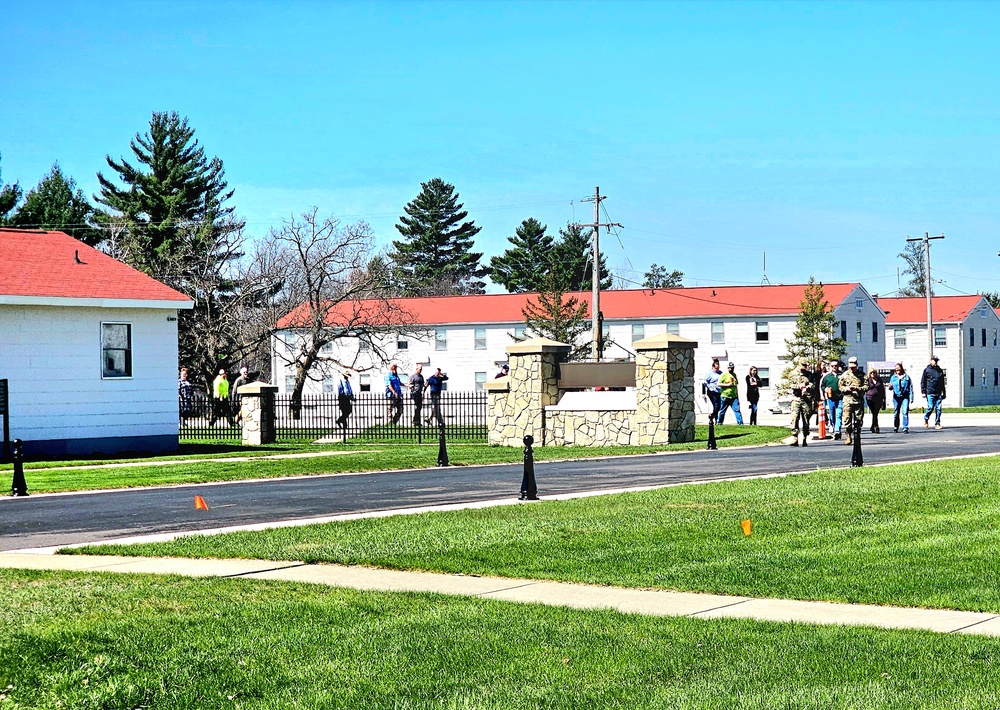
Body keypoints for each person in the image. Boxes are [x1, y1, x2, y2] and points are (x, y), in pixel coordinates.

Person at [838, 356, 866, 445]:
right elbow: (840, 387)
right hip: (847, 400)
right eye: (851, 367)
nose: (852, 368)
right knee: (847, 419)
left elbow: (866, 386)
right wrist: (847, 389)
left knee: (858, 419)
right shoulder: (844, 375)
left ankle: (857, 435)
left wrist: (857, 389)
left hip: (858, 400)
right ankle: (848, 436)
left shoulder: (862, 375)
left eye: (854, 366)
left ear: (857, 365)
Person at [789, 358, 814, 446]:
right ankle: (795, 437)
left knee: (806, 419)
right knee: (795, 418)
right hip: (796, 398)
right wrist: (799, 386)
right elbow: (791, 384)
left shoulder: (809, 374)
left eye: (805, 366)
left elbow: (812, 384)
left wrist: (807, 387)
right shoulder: (793, 373)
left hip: (806, 399)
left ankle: (804, 437)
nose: (803, 368)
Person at [921, 355, 946, 429]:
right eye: (934, 360)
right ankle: (926, 418)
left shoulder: (939, 370)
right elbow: (923, 381)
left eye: (936, 361)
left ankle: (937, 423)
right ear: (931, 361)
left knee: (938, 408)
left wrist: (944, 392)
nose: (936, 362)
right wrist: (923, 391)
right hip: (930, 392)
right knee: (930, 407)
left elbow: (942, 382)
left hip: (938, 392)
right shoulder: (927, 370)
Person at [821, 360, 844, 440]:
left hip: (840, 398)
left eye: (836, 365)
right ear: (830, 367)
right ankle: (834, 429)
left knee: (839, 414)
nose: (834, 367)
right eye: (832, 366)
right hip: (830, 399)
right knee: (832, 415)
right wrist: (825, 389)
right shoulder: (827, 377)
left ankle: (837, 430)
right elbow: (822, 386)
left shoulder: (842, 375)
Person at [889, 362, 914, 433]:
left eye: (898, 369)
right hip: (896, 397)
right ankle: (896, 426)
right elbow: (890, 388)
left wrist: (911, 398)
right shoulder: (893, 377)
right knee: (896, 412)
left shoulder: (906, 377)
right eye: (896, 369)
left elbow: (910, 388)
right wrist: (890, 387)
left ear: (901, 369)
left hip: (905, 397)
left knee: (905, 411)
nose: (897, 371)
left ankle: (905, 427)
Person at [865, 368, 886, 434]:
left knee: (875, 413)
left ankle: (872, 426)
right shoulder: (868, 380)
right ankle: (876, 426)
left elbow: (882, 389)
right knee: (874, 412)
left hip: (878, 398)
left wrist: (883, 399)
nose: (873, 374)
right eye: (871, 373)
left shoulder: (879, 380)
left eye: (874, 373)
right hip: (870, 398)